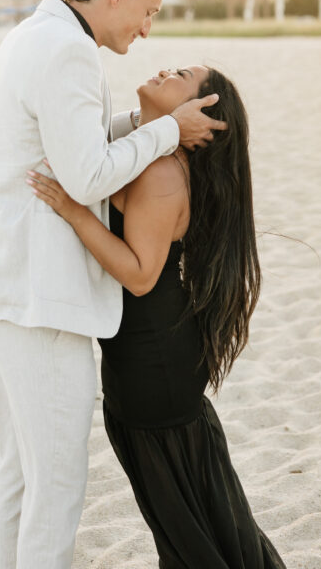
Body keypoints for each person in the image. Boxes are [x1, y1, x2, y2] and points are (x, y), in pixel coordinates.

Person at [0, 0, 225, 569]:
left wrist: (141, 127)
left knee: (21, 478)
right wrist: (170, 130)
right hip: (43, 303)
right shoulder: (69, 54)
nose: (146, 29)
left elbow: (68, 139)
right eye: (149, 10)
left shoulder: (34, 35)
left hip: (8, 290)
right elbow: (85, 177)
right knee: (54, 488)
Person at [28, 64, 287, 569]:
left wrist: (73, 211)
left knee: (188, 530)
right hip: (146, 362)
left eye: (182, 75)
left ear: (198, 113)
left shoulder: (163, 172)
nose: (165, 69)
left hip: (155, 370)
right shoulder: (150, 154)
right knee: (191, 519)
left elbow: (142, 274)